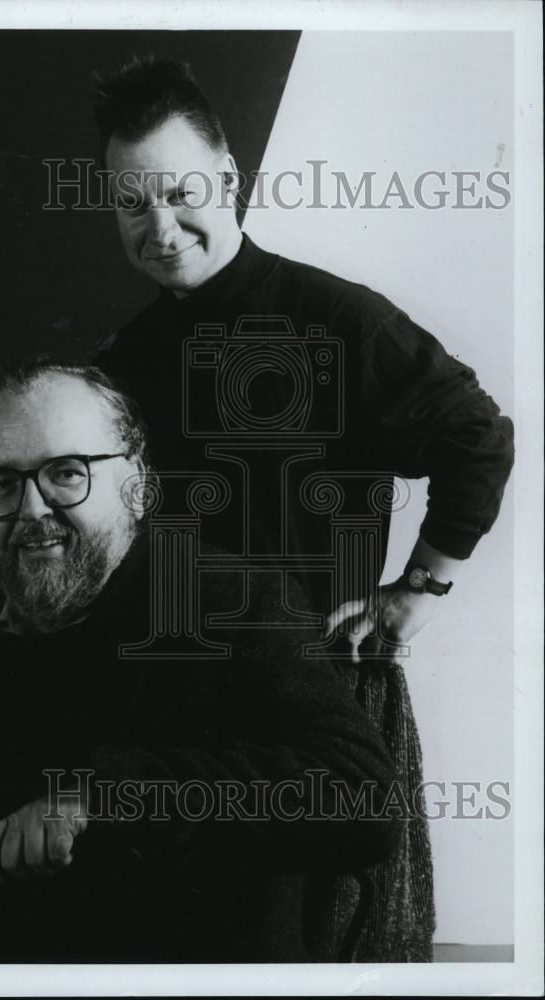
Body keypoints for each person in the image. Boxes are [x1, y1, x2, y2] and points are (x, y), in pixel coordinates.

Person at [89, 56, 515, 960]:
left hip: (315, 718)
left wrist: (419, 590)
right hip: (170, 714)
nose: (160, 228)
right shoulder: (122, 361)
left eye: (181, 192)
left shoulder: (337, 320)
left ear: (228, 178)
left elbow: (477, 435)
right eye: (133, 204)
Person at [0, 362, 400, 964]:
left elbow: (364, 802)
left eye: (67, 473)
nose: (31, 510)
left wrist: (101, 793)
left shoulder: (237, 601)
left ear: (140, 486)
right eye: (0, 483)